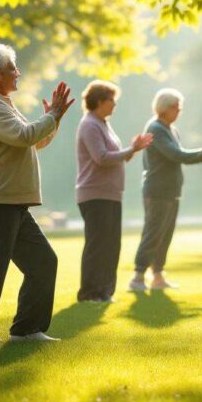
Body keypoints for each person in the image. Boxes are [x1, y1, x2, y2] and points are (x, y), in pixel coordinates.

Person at [0, 44, 74, 343]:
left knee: (43, 261)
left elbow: (33, 142)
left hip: (10, 200)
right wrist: (53, 116)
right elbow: (25, 135)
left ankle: (26, 331)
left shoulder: (1, 102)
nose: (17, 72)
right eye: (13, 67)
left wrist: (54, 119)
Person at [128, 89, 202, 291]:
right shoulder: (155, 128)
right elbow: (176, 155)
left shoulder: (171, 129)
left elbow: (177, 155)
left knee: (165, 234)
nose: (179, 110)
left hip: (171, 190)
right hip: (157, 191)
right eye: (175, 107)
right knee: (153, 233)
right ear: (164, 108)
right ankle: (138, 277)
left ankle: (157, 275)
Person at [75, 80, 153, 303]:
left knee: (111, 245)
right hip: (94, 194)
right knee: (98, 244)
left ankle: (104, 291)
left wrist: (132, 150)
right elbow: (101, 158)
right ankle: (89, 293)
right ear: (100, 101)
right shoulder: (90, 124)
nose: (114, 104)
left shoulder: (102, 123)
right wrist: (131, 149)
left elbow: (115, 156)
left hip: (110, 194)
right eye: (112, 100)